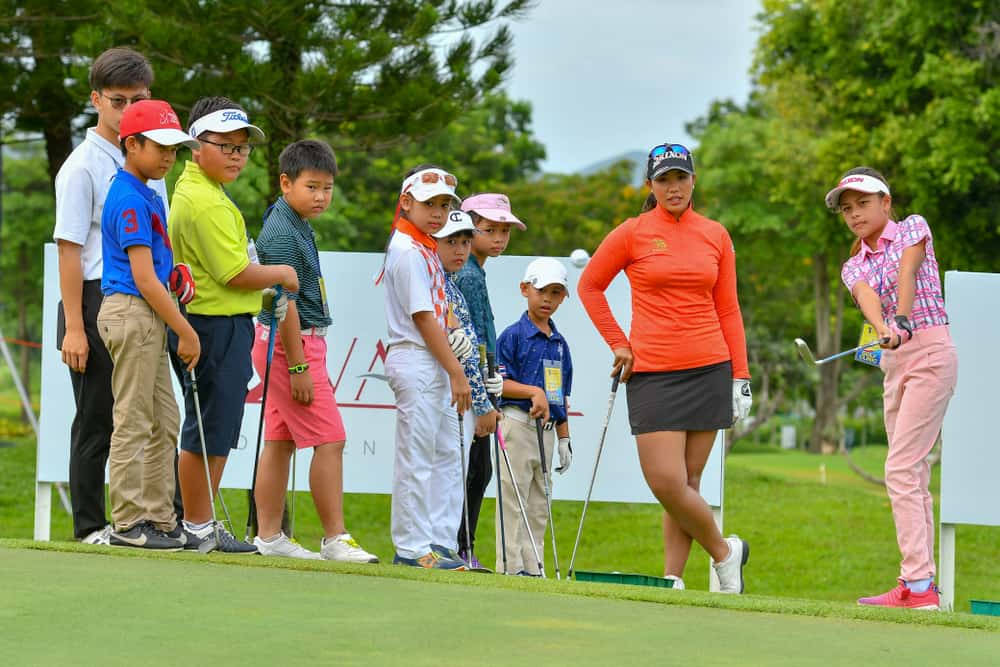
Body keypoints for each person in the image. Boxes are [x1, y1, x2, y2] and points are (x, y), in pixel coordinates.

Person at [577, 142, 752, 593]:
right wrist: (619, 343)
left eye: (680, 178)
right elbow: (590, 286)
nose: (673, 187)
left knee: (690, 481)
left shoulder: (715, 234)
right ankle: (725, 552)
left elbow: (729, 309)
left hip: (710, 367)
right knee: (667, 482)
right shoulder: (633, 232)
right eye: (664, 180)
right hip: (653, 370)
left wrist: (741, 375)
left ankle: (673, 578)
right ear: (650, 186)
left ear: (694, 180)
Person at [53, 47, 176, 545]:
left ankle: (145, 519)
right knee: (97, 420)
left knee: (145, 417)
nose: (127, 110)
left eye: (138, 99)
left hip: (140, 297)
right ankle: (89, 528)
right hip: (91, 300)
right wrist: (75, 328)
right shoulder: (81, 166)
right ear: (96, 100)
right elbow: (68, 250)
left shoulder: (148, 158)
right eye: (117, 100)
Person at [168, 97, 298, 554]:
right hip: (213, 323)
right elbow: (235, 274)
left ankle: (198, 522)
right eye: (224, 146)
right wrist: (282, 274)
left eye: (241, 148)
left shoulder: (204, 192)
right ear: (195, 146)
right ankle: (199, 524)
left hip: (217, 322)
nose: (235, 155)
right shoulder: (205, 203)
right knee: (210, 426)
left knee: (216, 425)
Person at [825, 167, 957, 610]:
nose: (854, 214)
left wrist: (901, 317)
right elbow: (866, 298)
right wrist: (884, 327)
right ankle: (921, 584)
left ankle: (918, 587)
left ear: (885, 201)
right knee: (913, 474)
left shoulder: (914, 227)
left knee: (900, 468)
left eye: (862, 203)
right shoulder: (852, 265)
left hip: (931, 354)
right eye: (846, 209)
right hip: (896, 364)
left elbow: (908, 267)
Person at [250, 140, 377, 563]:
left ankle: (268, 537)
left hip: (288, 343)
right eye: (312, 187)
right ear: (286, 183)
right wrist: (300, 363)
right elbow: (282, 304)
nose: (321, 197)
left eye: (327, 188)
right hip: (292, 345)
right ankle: (334, 538)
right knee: (331, 439)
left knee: (280, 441)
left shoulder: (295, 220)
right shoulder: (283, 232)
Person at [97, 100, 202, 549]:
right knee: (134, 421)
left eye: (174, 150)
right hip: (133, 311)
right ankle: (126, 523)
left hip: (146, 313)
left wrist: (173, 272)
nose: (167, 157)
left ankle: (160, 518)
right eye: (158, 147)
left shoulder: (147, 193)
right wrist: (187, 329)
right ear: (132, 143)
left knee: (165, 419)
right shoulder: (127, 195)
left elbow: (153, 270)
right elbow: (141, 277)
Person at [382, 165, 472, 570]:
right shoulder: (405, 249)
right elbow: (422, 317)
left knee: (442, 454)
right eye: (428, 204)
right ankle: (412, 547)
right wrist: (456, 371)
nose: (437, 212)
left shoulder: (424, 248)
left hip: (432, 357)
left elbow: (439, 308)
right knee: (417, 457)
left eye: (443, 205)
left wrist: (455, 332)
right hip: (417, 357)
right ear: (406, 203)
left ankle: (436, 541)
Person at [453, 193, 523, 568]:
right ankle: (461, 547)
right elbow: (473, 338)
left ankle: (462, 546)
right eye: (489, 229)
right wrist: (484, 393)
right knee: (475, 470)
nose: (498, 238)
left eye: (504, 231)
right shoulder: (467, 273)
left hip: (480, 382)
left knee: (478, 469)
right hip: (473, 386)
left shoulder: (474, 269)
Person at [433, 210, 503, 568]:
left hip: (463, 396)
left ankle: (447, 548)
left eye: (464, 241)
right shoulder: (445, 285)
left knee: (457, 472)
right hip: (450, 396)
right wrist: (482, 403)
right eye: (452, 242)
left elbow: (472, 348)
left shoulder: (455, 283)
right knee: (450, 472)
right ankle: (441, 547)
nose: (460, 249)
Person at [495, 257, 574, 576]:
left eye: (556, 293)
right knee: (513, 499)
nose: (548, 299)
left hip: (547, 431)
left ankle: (533, 566)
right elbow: (499, 383)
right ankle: (509, 566)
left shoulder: (559, 344)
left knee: (539, 503)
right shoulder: (513, 336)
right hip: (515, 424)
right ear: (525, 289)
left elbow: (560, 397)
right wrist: (532, 392)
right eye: (542, 291)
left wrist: (566, 438)